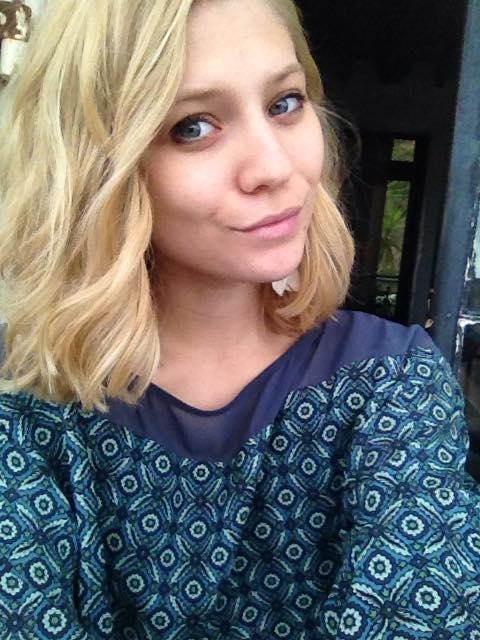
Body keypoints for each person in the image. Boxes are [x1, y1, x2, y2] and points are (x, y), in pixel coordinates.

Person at [0, 0, 479, 638]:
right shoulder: (26, 400)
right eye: (193, 127)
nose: (275, 168)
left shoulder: (392, 381)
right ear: (97, 167)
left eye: (285, 103)